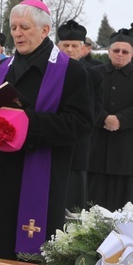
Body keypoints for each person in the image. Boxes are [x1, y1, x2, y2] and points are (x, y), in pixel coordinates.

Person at [0, 0, 93, 260]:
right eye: (13, 27)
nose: (17, 33)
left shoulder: (72, 72)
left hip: (37, 179)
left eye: (25, 27)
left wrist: (26, 121)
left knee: (28, 262)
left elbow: (80, 125)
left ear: (45, 30)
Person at [87, 29, 133, 210]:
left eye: (125, 52)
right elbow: (86, 100)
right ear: (109, 51)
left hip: (128, 154)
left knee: (126, 210)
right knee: (92, 207)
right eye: (116, 50)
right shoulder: (94, 73)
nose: (120, 55)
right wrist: (103, 118)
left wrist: (121, 120)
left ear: (132, 54)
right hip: (97, 150)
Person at [57, 20, 103, 210]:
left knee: (72, 204)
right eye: (65, 45)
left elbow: (93, 112)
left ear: (83, 48)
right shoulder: (47, 73)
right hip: (50, 145)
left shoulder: (94, 76)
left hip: (78, 146)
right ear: (58, 47)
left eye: (74, 46)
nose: (69, 49)